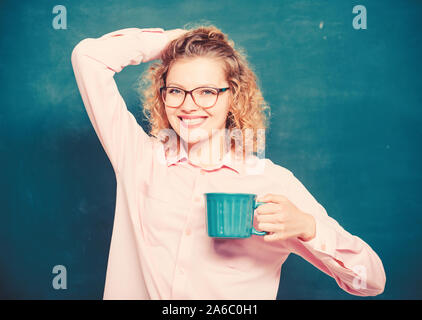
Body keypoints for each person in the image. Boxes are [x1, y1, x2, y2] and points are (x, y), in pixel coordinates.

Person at [71, 25, 386, 300]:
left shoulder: (271, 182)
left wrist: (309, 228)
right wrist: (179, 40)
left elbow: (371, 280)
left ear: (232, 96)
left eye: (207, 91)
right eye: (177, 91)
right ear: (162, 94)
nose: (189, 105)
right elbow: (88, 57)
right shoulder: (139, 158)